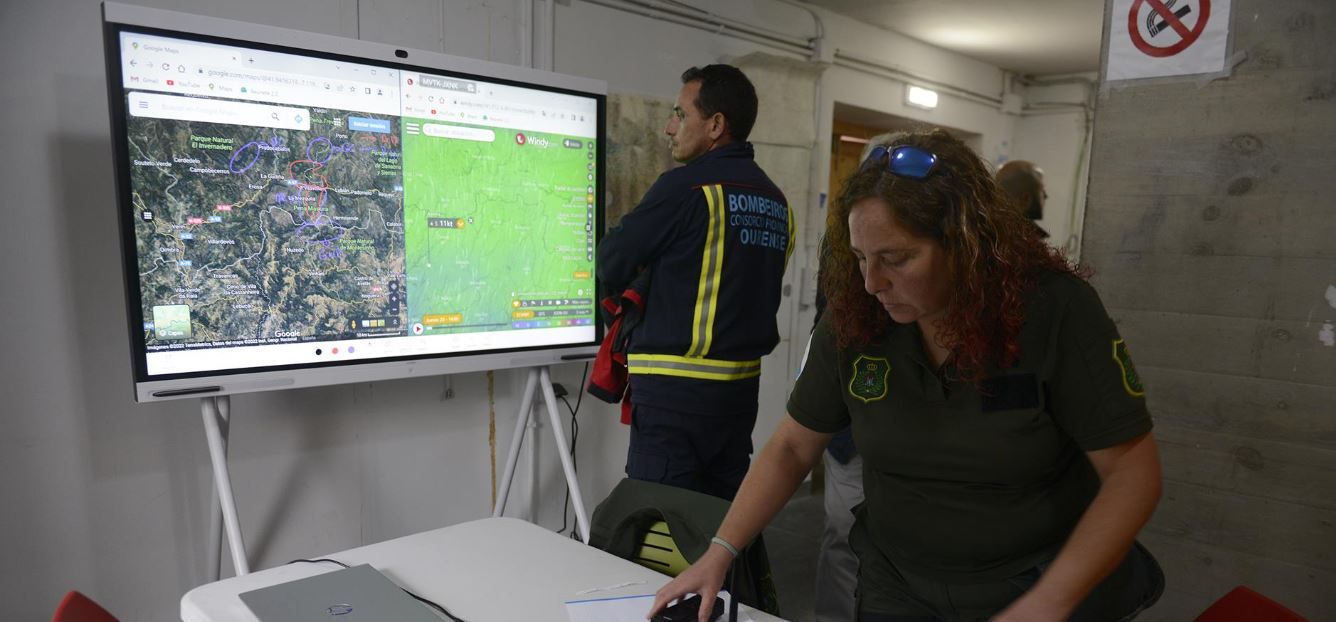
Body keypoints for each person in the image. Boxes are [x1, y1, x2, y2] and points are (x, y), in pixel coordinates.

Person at [649, 129, 1163, 622]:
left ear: (966, 244)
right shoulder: (857, 314)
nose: (872, 282)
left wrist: (1049, 603)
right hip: (897, 582)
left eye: (896, 259)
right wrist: (719, 552)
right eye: (860, 258)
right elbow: (792, 447)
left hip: (1030, 582)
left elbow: (1132, 473)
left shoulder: (1055, 312)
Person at [596, 64, 793, 501]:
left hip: (673, 396)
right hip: (739, 397)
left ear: (716, 125)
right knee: (715, 525)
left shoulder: (685, 187)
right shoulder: (778, 203)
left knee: (661, 526)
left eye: (680, 114)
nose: (670, 127)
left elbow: (610, 261)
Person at [996, 159, 1050, 238]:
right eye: (1042, 190)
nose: (1045, 196)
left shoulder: (993, 233)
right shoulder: (1020, 242)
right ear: (1024, 200)